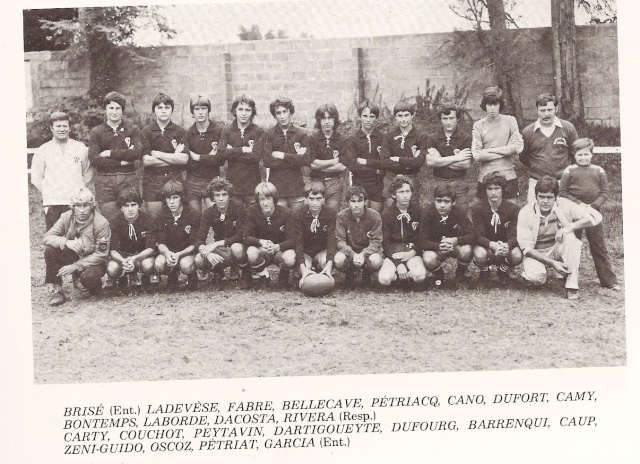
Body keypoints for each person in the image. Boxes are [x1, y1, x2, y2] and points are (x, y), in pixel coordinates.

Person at [517, 175, 603, 300]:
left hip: (557, 248)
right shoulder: (526, 212)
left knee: (571, 240)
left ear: (556, 197)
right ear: (536, 196)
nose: (545, 201)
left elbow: (595, 216)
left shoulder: (564, 205)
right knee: (535, 278)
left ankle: (571, 286)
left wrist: (570, 227)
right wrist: (552, 263)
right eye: (541, 197)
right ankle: (544, 273)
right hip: (537, 252)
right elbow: (526, 249)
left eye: (549, 197)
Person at [559, 138, 620, 290]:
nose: (583, 158)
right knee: (572, 243)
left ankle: (609, 280)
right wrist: (578, 204)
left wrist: (594, 205)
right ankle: (568, 276)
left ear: (591, 155)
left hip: (593, 212)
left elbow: (605, 192)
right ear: (574, 155)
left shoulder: (599, 170)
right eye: (579, 155)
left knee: (599, 245)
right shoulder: (569, 171)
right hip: (575, 213)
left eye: (586, 154)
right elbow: (562, 192)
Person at [43, 188, 110, 306]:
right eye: (78, 206)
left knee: (90, 279)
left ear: (92, 206)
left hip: (93, 261)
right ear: (73, 207)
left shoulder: (101, 223)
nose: (82, 210)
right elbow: (47, 237)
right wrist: (66, 242)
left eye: (86, 205)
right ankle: (57, 290)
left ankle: (90, 284)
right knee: (50, 250)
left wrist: (75, 266)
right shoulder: (66, 217)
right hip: (73, 254)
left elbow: (102, 254)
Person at [31, 111, 93, 230]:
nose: (62, 129)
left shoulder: (80, 148)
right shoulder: (43, 150)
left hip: (76, 202)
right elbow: (36, 177)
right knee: (55, 238)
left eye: (65, 126)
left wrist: (78, 190)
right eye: (58, 126)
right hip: (53, 202)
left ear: (69, 128)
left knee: (77, 237)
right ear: (51, 128)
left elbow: (87, 172)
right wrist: (50, 190)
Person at [88, 91, 142, 222]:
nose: (114, 111)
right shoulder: (97, 132)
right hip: (105, 181)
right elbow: (94, 159)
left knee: (132, 217)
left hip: (128, 178)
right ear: (105, 109)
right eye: (111, 108)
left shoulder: (132, 129)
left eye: (118, 108)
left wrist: (110, 153)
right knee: (110, 221)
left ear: (122, 110)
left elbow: (137, 153)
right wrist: (121, 162)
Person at [520, 93, 579, 204]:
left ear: (556, 109)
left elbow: (575, 154)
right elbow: (524, 158)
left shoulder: (568, 128)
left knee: (565, 213)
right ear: (536, 110)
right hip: (537, 181)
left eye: (549, 110)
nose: (546, 114)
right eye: (542, 110)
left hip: (562, 181)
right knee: (535, 214)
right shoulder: (528, 132)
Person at [141, 93, 189, 219]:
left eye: (167, 107)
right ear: (154, 111)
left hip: (174, 179)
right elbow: (146, 160)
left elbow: (184, 159)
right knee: (154, 220)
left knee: (175, 218)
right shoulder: (147, 131)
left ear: (171, 110)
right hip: (152, 181)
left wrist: (157, 154)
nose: (163, 111)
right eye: (160, 107)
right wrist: (174, 158)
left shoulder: (179, 131)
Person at [193, 177, 248, 287]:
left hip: (237, 246)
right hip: (222, 250)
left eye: (224, 194)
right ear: (212, 197)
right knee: (199, 259)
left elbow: (241, 234)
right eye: (217, 195)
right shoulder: (208, 213)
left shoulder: (239, 207)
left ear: (229, 195)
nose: (221, 199)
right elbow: (199, 238)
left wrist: (216, 244)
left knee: (237, 248)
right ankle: (217, 271)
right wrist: (207, 253)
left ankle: (246, 273)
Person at [471, 87, 524, 200]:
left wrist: (490, 150)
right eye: (489, 104)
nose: (492, 108)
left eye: (495, 104)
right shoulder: (478, 125)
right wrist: (506, 151)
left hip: (508, 175)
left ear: (501, 105)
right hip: (486, 177)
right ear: (484, 105)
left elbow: (517, 147)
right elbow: (477, 155)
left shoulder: (510, 121)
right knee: (486, 214)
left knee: (510, 211)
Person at [471, 172, 523, 286]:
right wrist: (492, 245)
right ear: (485, 190)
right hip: (486, 246)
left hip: (504, 247)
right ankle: (484, 271)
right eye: (489, 189)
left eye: (497, 188)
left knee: (517, 255)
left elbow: (515, 235)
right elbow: (478, 235)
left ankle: (503, 271)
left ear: (502, 189)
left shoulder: (513, 209)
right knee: (479, 254)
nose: (493, 192)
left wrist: (507, 245)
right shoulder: (477, 209)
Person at [242, 182, 297, 287]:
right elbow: (245, 237)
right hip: (262, 250)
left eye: (268, 199)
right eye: (262, 199)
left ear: (274, 199)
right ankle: (264, 275)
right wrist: (260, 242)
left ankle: (284, 274)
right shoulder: (251, 212)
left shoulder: (286, 213)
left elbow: (293, 239)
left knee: (290, 257)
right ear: (258, 200)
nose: (265, 203)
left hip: (280, 251)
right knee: (251, 252)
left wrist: (278, 247)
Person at [419, 184, 474, 287]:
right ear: (434, 200)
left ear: (454, 202)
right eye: (439, 201)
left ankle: (460, 273)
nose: (442, 205)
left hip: (454, 246)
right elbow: (422, 240)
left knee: (466, 250)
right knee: (428, 258)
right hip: (436, 247)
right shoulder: (427, 213)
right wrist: (439, 246)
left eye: (446, 201)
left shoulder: (459, 212)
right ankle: (439, 275)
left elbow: (471, 235)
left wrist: (455, 240)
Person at [263, 97, 310, 213]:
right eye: (278, 113)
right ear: (274, 115)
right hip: (277, 189)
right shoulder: (269, 134)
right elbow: (268, 161)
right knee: (280, 225)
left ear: (291, 112)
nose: (282, 116)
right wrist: (295, 157)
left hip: (296, 188)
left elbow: (305, 160)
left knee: (297, 223)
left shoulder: (301, 134)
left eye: (285, 111)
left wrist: (281, 155)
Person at [378, 176, 427, 287]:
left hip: (411, 251)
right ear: (394, 195)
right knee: (384, 279)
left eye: (407, 191)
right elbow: (385, 242)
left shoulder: (418, 211)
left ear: (411, 193)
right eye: (401, 192)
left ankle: (409, 276)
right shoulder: (387, 214)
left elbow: (423, 237)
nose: (405, 195)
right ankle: (397, 276)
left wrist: (413, 252)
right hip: (394, 253)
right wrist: (398, 264)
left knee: (420, 276)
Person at [105, 188, 157, 290]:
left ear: (139, 206)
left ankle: (146, 277)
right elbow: (112, 249)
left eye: (133, 205)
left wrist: (135, 258)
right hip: (122, 257)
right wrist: (122, 261)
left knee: (148, 265)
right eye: (126, 206)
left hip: (142, 256)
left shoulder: (148, 220)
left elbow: (151, 247)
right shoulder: (114, 222)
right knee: (112, 268)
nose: (130, 209)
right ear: (121, 208)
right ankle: (120, 278)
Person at [217, 95, 265, 205]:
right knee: (236, 219)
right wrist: (243, 149)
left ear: (252, 112)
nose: (243, 113)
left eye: (247, 110)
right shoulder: (227, 130)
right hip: (233, 186)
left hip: (252, 186)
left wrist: (231, 151)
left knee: (253, 218)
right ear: (234, 111)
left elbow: (256, 156)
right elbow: (220, 153)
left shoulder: (258, 131)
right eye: (240, 109)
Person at [380, 99, 428, 207]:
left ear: (412, 115)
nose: (403, 119)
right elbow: (384, 161)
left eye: (406, 115)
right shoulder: (389, 136)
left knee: (413, 210)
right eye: (400, 116)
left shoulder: (421, 136)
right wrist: (410, 162)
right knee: (391, 209)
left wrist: (397, 159)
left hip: (411, 177)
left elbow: (419, 162)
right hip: (392, 177)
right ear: (395, 117)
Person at [154, 180, 200, 291]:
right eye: (168, 198)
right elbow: (161, 241)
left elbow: (195, 243)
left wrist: (179, 254)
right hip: (170, 252)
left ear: (182, 197)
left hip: (187, 252)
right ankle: (172, 276)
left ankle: (192, 276)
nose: (171, 202)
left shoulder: (193, 214)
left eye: (175, 198)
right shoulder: (161, 214)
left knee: (186, 265)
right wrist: (167, 253)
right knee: (159, 264)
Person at [334, 185, 384, 287]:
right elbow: (340, 240)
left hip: (367, 251)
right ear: (348, 202)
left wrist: (364, 254)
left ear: (365, 201)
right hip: (349, 251)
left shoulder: (374, 216)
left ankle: (367, 272)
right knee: (338, 259)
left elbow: (376, 241)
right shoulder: (342, 216)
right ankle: (349, 273)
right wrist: (352, 254)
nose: (356, 205)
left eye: (360, 201)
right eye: (353, 201)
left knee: (376, 260)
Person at [426, 102, 473, 211]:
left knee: (461, 214)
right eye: (445, 118)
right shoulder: (433, 138)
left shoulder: (466, 138)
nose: (448, 122)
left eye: (451, 118)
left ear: (458, 119)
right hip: (439, 182)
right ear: (440, 120)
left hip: (459, 183)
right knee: (439, 214)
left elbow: (465, 164)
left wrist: (439, 160)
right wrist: (457, 158)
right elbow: (430, 163)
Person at [344, 100, 385, 213]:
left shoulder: (383, 138)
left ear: (376, 118)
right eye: (365, 116)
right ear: (360, 117)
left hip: (377, 184)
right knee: (361, 216)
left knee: (376, 216)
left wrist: (365, 161)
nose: (368, 119)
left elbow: (385, 163)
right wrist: (376, 170)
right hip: (359, 183)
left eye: (371, 116)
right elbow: (353, 166)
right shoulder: (352, 139)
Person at [184, 95, 223, 212]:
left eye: (203, 108)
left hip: (212, 179)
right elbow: (186, 161)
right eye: (196, 109)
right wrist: (209, 158)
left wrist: (197, 157)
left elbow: (220, 160)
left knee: (216, 217)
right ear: (192, 112)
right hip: (192, 181)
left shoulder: (218, 131)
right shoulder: (188, 133)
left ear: (208, 110)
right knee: (195, 219)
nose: (200, 112)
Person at [294, 181, 337, 284]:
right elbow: (298, 242)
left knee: (324, 263)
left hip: (322, 250)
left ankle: (320, 269)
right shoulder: (298, 214)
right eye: (311, 199)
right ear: (306, 199)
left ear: (324, 199)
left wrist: (329, 263)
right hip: (306, 252)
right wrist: (302, 266)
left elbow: (331, 239)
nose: (315, 203)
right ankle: (301, 271)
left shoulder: (330, 213)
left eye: (318, 199)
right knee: (305, 268)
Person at [308, 104, 348, 211]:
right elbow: (311, 164)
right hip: (316, 181)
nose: (326, 122)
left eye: (329, 118)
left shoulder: (342, 139)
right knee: (317, 213)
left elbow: (342, 167)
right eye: (323, 118)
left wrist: (319, 165)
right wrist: (335, 160)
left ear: (335, 120)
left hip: (334, 183)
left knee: (332, 215)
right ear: (319, 120)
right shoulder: (313, 138)